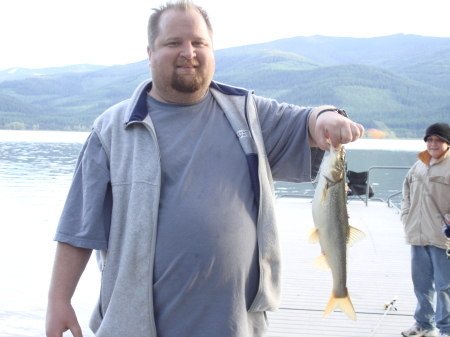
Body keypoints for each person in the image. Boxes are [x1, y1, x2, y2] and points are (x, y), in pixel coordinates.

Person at [45, 1, 364, 336]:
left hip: (234, 324)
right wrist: (59, 301)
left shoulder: (250, 113)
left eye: (199, 43)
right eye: (174, 43)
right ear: (150, 52)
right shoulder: (112, 130)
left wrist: (328, 116)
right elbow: (78, 227)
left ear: (212, 50)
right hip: (135, 326)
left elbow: (309, 123)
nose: (189, 52)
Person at [400, 122, 450, 337]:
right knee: (421, 285)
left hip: (441, 238)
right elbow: (406, 190)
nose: (433, 143)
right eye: (430, 139)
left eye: (439, 139)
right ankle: (423, 324)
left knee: (444, 287)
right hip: (416, 235)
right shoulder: (419, 164)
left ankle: (446, 329)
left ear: (447, 143)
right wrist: (405, 216)